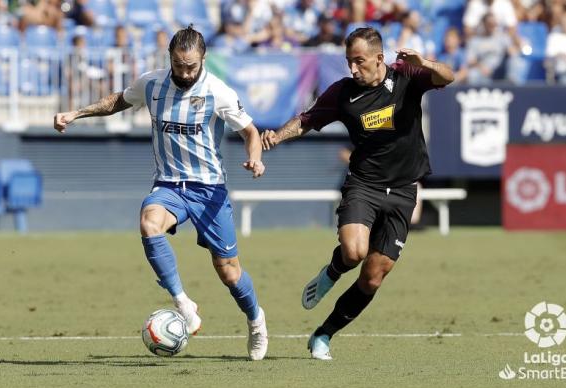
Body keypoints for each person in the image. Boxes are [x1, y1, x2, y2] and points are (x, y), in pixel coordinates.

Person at [53, 26, 269, 361]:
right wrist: (76, 114)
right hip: (169, 184)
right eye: (179, 65)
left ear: (203, 60)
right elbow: (117, 101)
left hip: (209, 189)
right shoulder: (152, 83)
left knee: (228, 270)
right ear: (170, 58)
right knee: (148, 222)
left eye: (191, 67)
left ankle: (256, 321)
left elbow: (251, 132)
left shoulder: (218, 92)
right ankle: (183, 302)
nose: (185, 73)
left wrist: (254, 158)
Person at [261, 27, 453, 360]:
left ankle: (324, 334)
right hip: (364, 184)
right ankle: (331, 273)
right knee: (353, 252)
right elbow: (307, 120)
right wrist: (277, 138)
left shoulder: (407, 75)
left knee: (374, 277)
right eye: (349, 61)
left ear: (380, 58)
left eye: (359, 61)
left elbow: (448, 77)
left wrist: (426, 62)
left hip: (405, 190)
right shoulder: (342, 93)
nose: (352, 69)